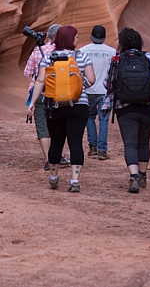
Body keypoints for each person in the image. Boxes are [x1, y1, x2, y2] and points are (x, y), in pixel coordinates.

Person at [27, 26, 95, 193]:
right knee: (76, 142)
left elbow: (40, 81)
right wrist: (79, 85)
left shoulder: (49, 58)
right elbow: (92, 80)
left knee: (56, 142)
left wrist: (33, 102)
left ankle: (54, 177)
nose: (78, 40)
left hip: (54, 106)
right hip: (79, 105)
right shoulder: (82, 56)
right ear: (70, 39)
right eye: (76, 37)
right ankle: (74, 180)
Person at [102, 28, 150, 193]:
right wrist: (149, 93)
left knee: (130, 144)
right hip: (148, 106)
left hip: (125, 108)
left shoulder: (116, 59)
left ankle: (133, 176)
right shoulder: (149, 57)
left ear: (122, 43)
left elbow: (108, 85)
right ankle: (143, 175)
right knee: (143, 143)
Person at [23, 23, 70, 171]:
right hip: (59, 94)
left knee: (42, 128)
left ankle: (48, 159)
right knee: (58, 127)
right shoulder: (65, 52)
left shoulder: (38, 51)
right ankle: (59, 155)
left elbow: (27, 72)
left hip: (40, 94)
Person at [79, 25, 116, 160]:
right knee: (104, 119)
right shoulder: (112, 52)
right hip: (105, 90)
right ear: (104, 37)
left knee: (89, 117)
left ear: (91, 36)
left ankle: (92, 147)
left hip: (88, 89)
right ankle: (102, 150)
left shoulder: (83, 51)